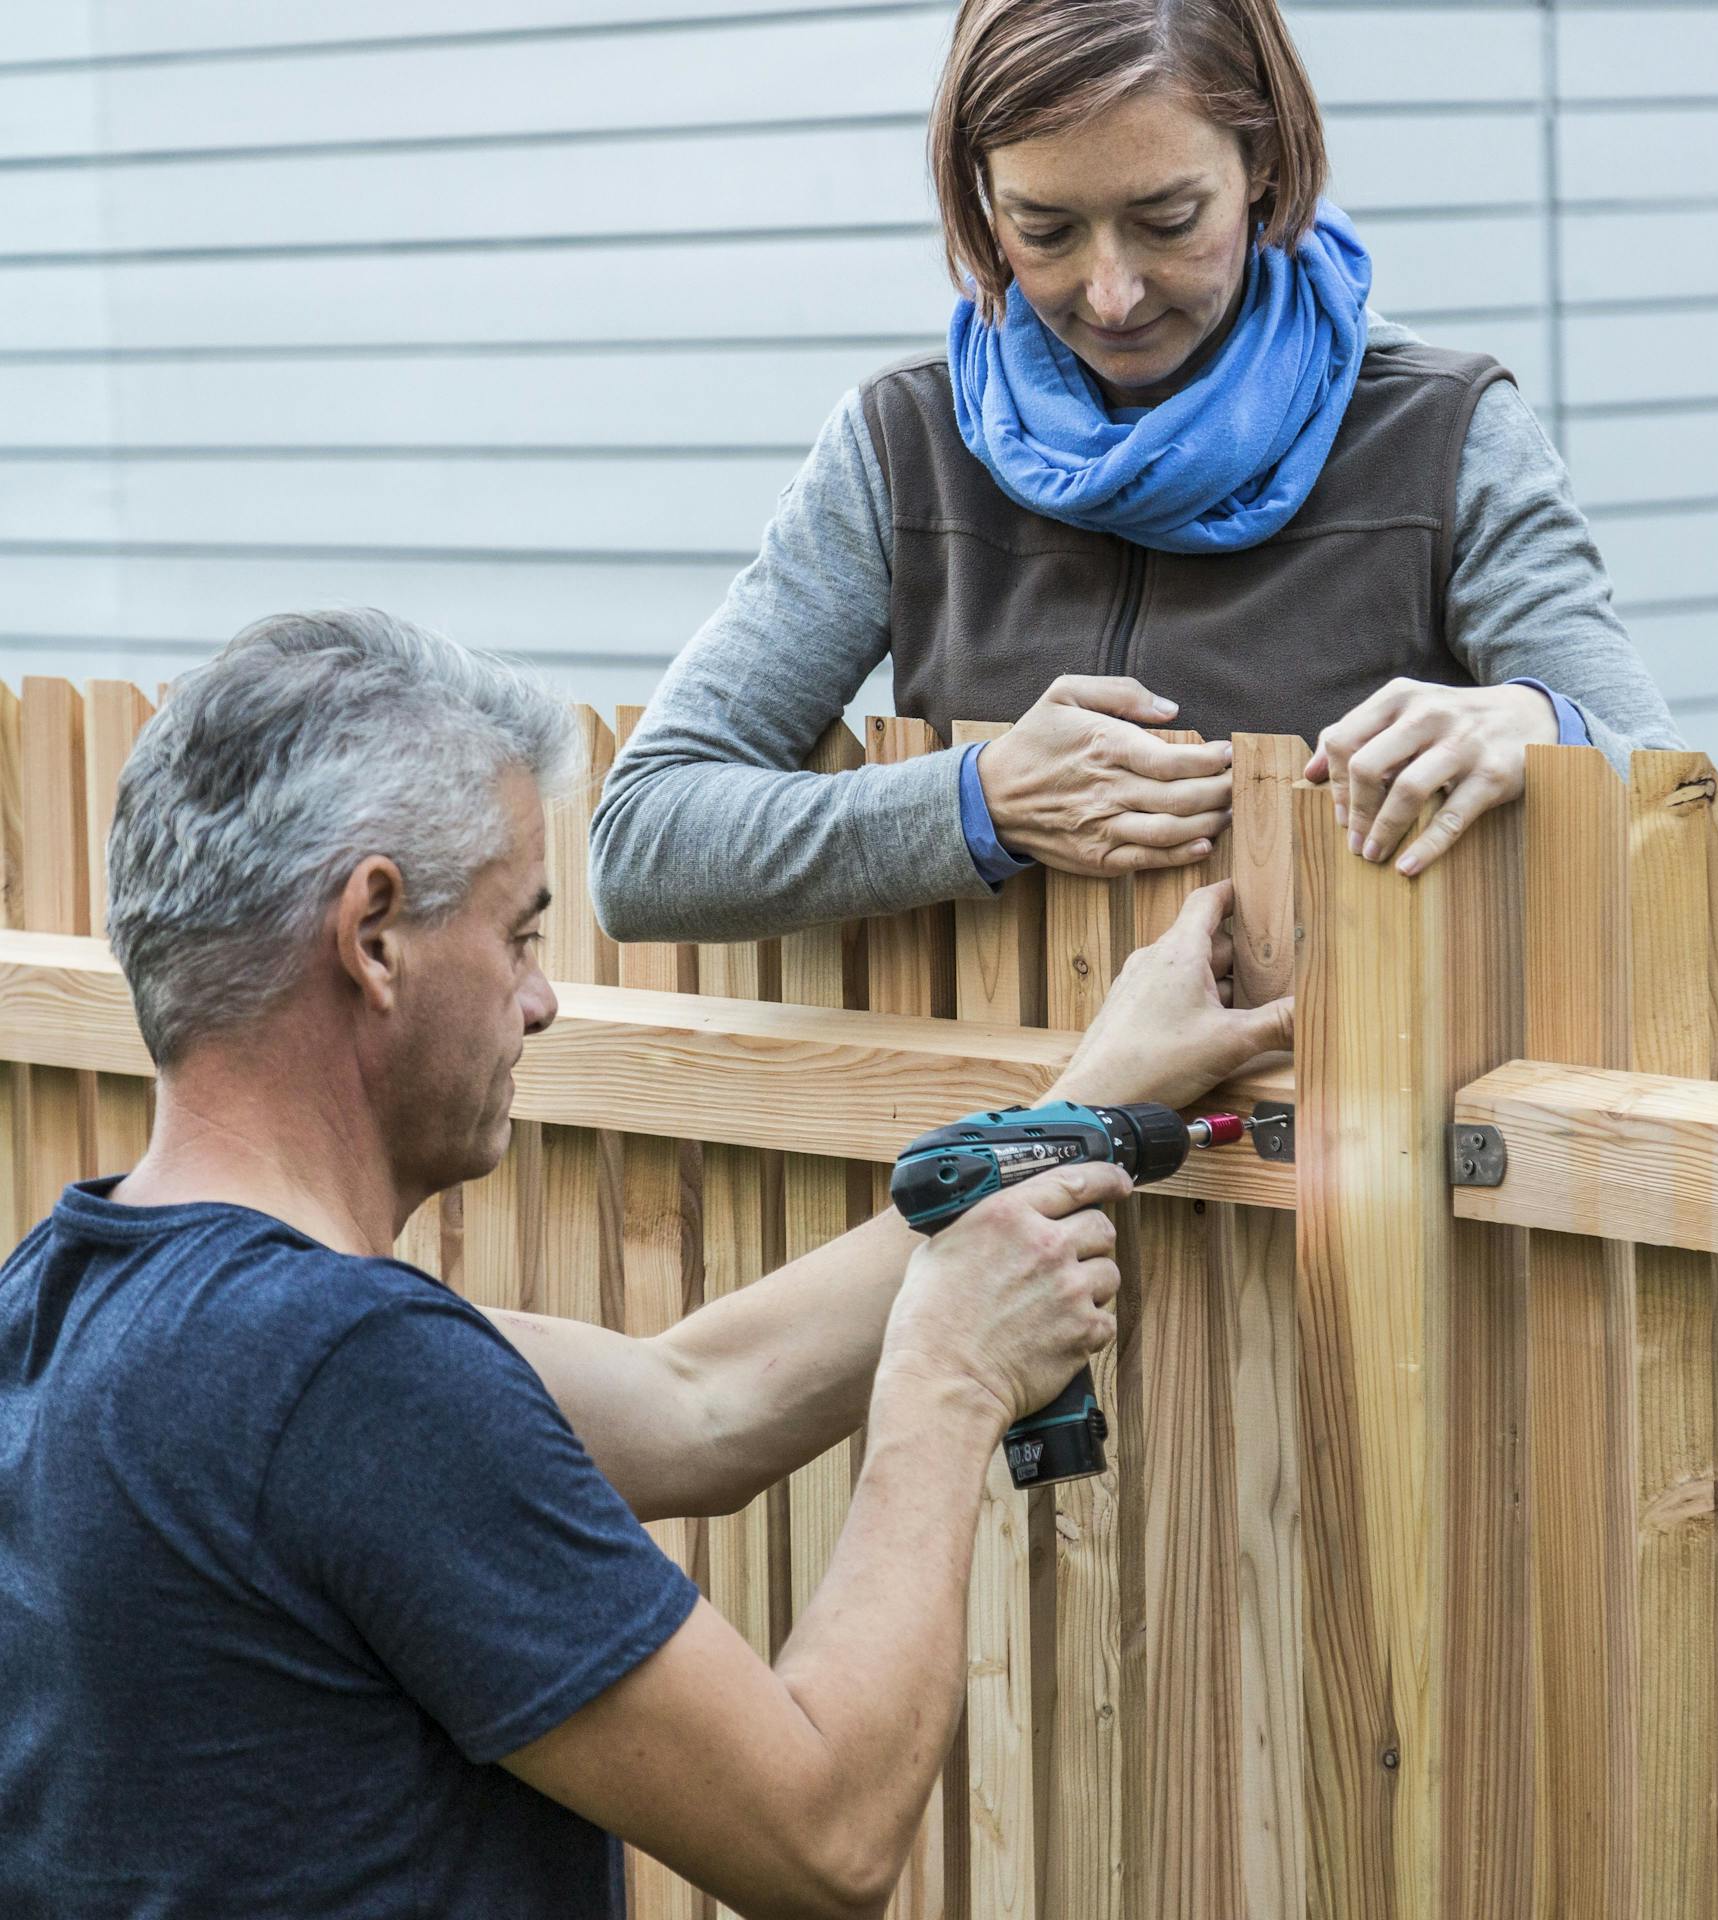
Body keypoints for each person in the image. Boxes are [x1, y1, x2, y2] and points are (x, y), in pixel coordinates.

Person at [0, 610, 1290, 1920]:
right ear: (374, 934)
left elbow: (700, 1402)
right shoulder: (347, 1377)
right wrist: (951, 1387)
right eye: (517, 935)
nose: (543, 999)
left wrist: (1086, 1102)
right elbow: (825, 1839)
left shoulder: (70, 1298)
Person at [589, 0, 1684, 949]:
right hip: (1003, 1175)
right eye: (1044, 229)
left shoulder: (1445, 434)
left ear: (1266, 165)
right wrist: (980, 803)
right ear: (980, 201)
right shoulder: (901, 444)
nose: (1110, 294)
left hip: (1352, 1165)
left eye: (1168, 220)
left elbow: (1671, 792)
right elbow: (643, 840)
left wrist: (1548, 726)